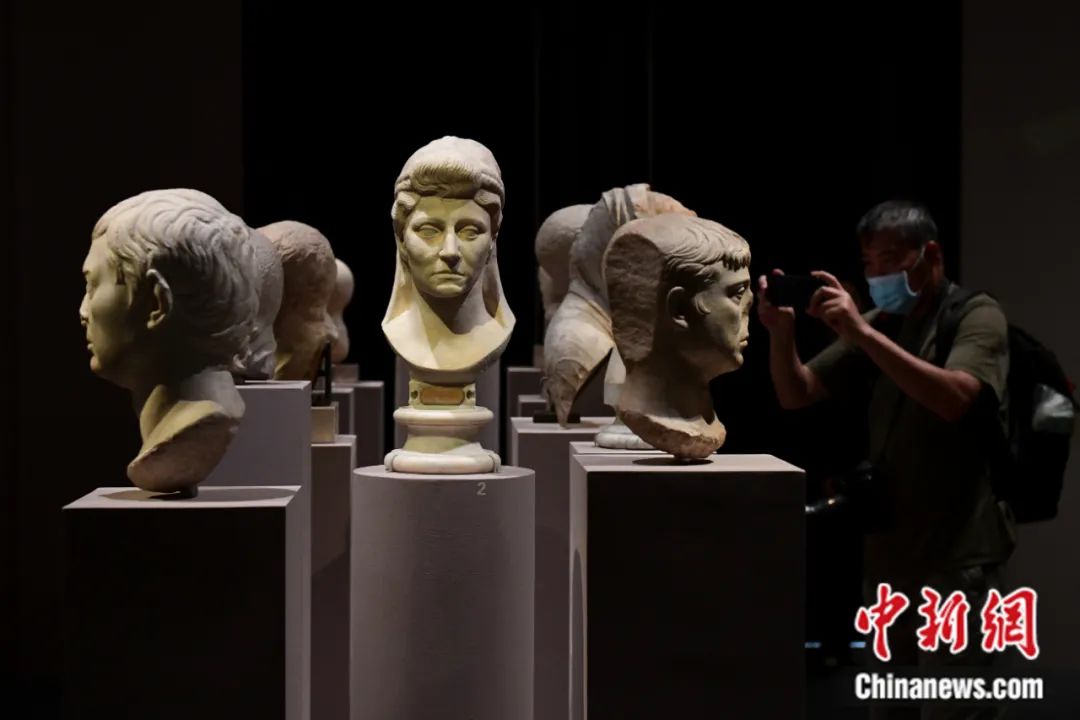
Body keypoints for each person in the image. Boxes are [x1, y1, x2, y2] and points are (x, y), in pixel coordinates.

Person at [759, 200, 1015, 719]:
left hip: (956, 560)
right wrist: (781, 334)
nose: (878, 274)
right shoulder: (884, 323)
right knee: (889, 706)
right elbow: (797, 392)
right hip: (888, 560)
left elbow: (956, 398)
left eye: (892, 259)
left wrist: (861, 332)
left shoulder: (975, 315)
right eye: (870, 262)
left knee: (955, 708)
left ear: (931, 255)